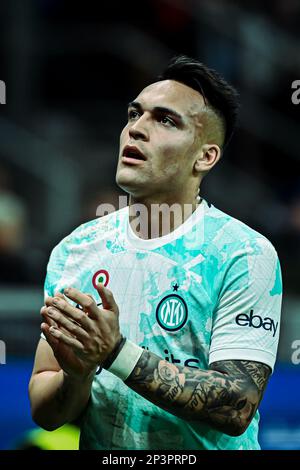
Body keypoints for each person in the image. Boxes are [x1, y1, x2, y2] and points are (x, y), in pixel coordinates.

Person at [29, 55, 282, 450]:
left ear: (205, 156)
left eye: (165, 120)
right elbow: (46, 411)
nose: (136, 129)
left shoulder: (243, 253)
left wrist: (115, 353)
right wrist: (77, 376)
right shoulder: (76, 249)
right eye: (134, 114)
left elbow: (237, 405)